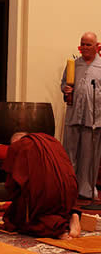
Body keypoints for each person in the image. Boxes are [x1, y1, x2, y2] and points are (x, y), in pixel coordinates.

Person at [1, 132, 80, 239]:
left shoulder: (18, 147)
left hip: (46, 195)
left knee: (18, 221)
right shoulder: (51, 141)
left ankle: (57, 230)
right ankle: (72, 215)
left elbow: (12, 184)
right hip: (69, 193)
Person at [61, 31, 101, 199]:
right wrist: (66, 89)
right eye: (82, 44)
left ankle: (87, 189)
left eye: (88, 45)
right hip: (74, 116)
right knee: (69, 153)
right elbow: (64, 83)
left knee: (89, 155)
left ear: (96, 47)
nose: (84, 48)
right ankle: (68, 187)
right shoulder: (74, 65)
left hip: (94, 118)